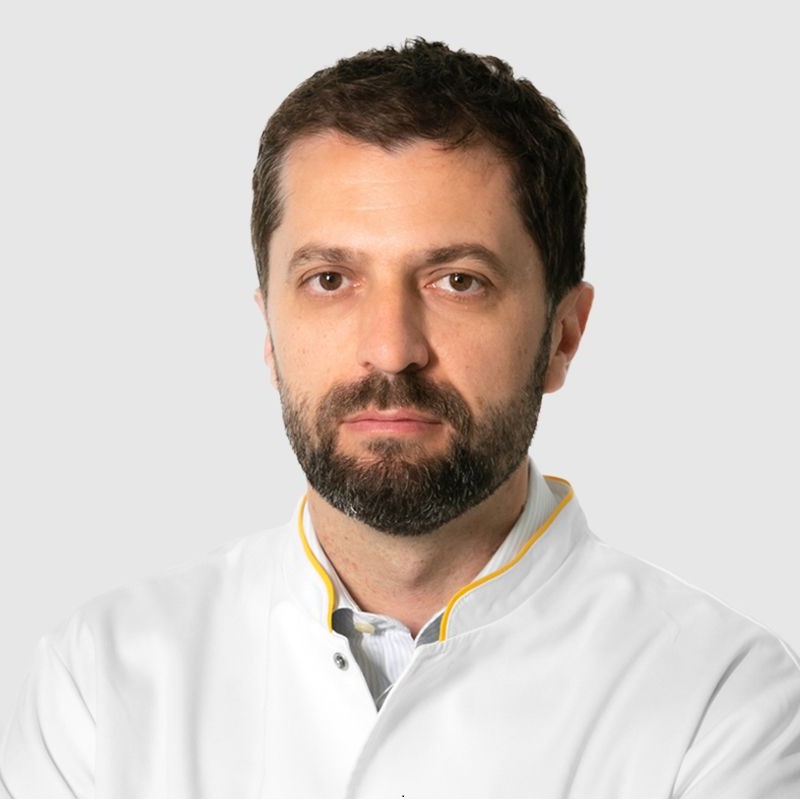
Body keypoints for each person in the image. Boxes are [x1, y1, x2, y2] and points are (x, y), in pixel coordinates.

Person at [1, 37, 798, 798]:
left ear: (562, 335)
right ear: (269, 330)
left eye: (458, 281)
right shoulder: (102, 679)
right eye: (329, 279)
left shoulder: (723, 701)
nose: (390, 351)